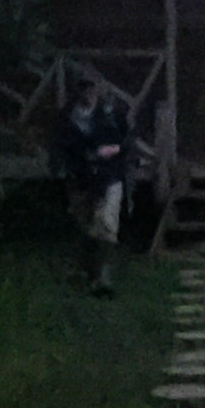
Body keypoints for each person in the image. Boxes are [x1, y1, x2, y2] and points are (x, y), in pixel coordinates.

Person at [55, 76, 130, 295]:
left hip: (108, 177)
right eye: (83, 89)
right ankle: (88, 273)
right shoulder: (68, 118)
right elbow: (61, 146)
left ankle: (103, 279)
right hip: (81, 180)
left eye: (91, 89)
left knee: (106, 225)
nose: (88, 94)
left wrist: (112, 151)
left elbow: (125, 141)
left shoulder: (110, 116)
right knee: (87, 226)